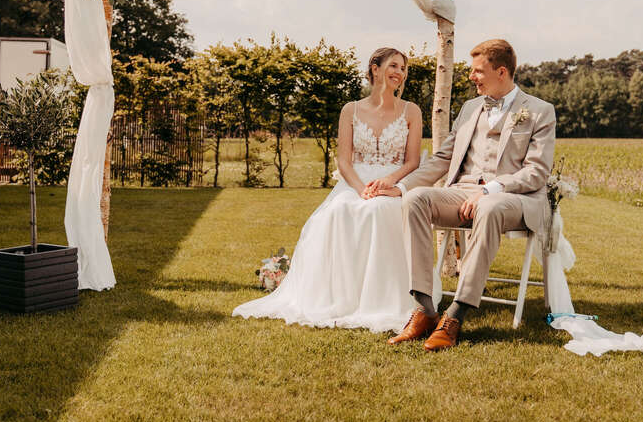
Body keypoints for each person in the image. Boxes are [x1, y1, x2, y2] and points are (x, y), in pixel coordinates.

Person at [372, 39, 556, 351]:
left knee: (489, 207)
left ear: (501, 72)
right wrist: (401, 186)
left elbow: (536, 172)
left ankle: (456, 314)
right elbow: (443, 158)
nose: (471, 76)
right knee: (415, 200)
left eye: (477, 71)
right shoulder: (471, 109)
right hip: (462, 192)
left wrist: (490, 190)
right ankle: (425, 309)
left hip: (516, 198)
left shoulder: (539, 111)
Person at [232, 47, 423, 332]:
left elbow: (413, 161)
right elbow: (344, 161)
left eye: (403, 68)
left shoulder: (411, 111)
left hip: (393, 182)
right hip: (355, 181)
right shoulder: (351, 110)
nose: (399, 73)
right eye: (393, 66)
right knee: (338, 211)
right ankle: (340, 297)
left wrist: (389, 183)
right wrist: (361, 189)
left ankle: (383, 299)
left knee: (382, 210)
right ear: (374, 68)